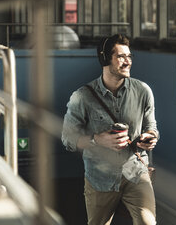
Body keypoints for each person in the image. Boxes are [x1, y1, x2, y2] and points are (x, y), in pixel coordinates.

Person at [61, 34, 159, 225]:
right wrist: (97, 140)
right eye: (121, 56)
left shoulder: (143, 91)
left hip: (136, 173)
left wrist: (151, 136)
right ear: (105, 58)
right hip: (100, 178)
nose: (127, 62)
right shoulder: (82, 97)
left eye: (129, 56)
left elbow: (152, 126)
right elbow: (67, 139)